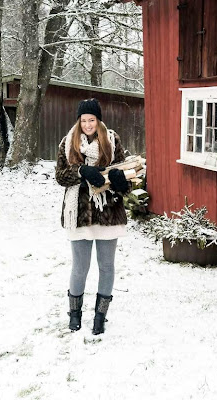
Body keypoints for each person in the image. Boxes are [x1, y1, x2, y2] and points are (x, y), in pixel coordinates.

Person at [55, 98, 130, 335]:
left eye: (92, 120)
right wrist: (81, 171)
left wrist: (120, 180)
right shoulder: (68, 143)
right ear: (79, 121)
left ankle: (100, 316)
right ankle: (74, 314)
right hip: (78, 213)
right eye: (84, 120)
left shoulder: (112, 140)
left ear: (99, 121)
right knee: (80, 267)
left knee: (106, 266)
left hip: (108, 211)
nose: (88, 124)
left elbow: (124, 170)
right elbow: (60, 176)